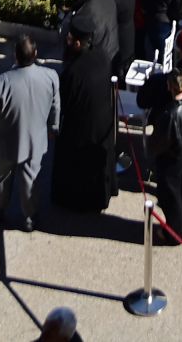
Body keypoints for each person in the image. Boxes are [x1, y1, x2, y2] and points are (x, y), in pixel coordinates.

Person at [0, 34, 58, 232]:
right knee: (30, 179)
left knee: (2, 178)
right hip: (35, 141)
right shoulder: (50, 77)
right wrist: (53, 128)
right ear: (36, 54)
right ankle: (30, 217)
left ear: (15, 56)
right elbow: (55, 107)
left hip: (6, 143)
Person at [50, 13, 117, 214]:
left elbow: (64, 102)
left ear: (78, 43)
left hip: (81, 127)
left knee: (74, 165)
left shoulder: (74, 71)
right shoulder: (103, 56)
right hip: (103, 122)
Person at [146, 68, 182, 241]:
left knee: (172, 196)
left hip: (173, 159)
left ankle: (173, 233)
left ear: (170, 86)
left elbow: (158, 143)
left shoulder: (169, 114)